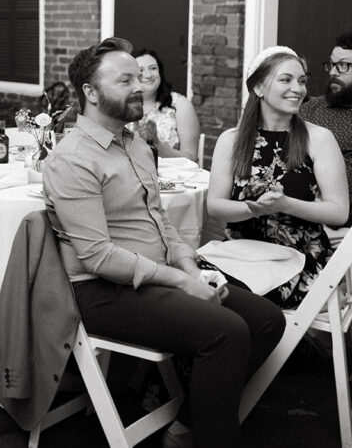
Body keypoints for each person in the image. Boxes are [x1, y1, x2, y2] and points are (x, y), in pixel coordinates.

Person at [43, 37, 285, 448]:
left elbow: (161, 223)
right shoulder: (72, 158)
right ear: (90, 92)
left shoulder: (136, 144)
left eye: (138, 78)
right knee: (225, 331)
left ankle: (187, 425)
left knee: (266, 320)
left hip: (157, 275)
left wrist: (191, 269)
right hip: (101, 291)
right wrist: (182, 282)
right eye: (125, 80)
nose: (139, 87)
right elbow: (99, 257)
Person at [207, 47, 348, 308]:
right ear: (259, 87)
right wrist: (253, 209)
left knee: (229, 298)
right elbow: (215, 206)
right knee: (195, 283)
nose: (298, 89)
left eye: (302, 81)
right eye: (286, 79)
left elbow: (339, 212)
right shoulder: (231, 140)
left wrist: (286, 205)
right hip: (240, 256)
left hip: (298, 260)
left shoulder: (319, 139)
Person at [300, 32, 352, 227]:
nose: (333, 72)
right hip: (310, 218)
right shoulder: (309, 110)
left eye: (343, 65)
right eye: (332, 64)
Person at [131, 48, 201, 162]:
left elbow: (191, 158)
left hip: (172, 172)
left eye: (153, 68)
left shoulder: (179, 104)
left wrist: (158, 146)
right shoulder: (121, 105)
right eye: (141, 70)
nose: (148, 75)